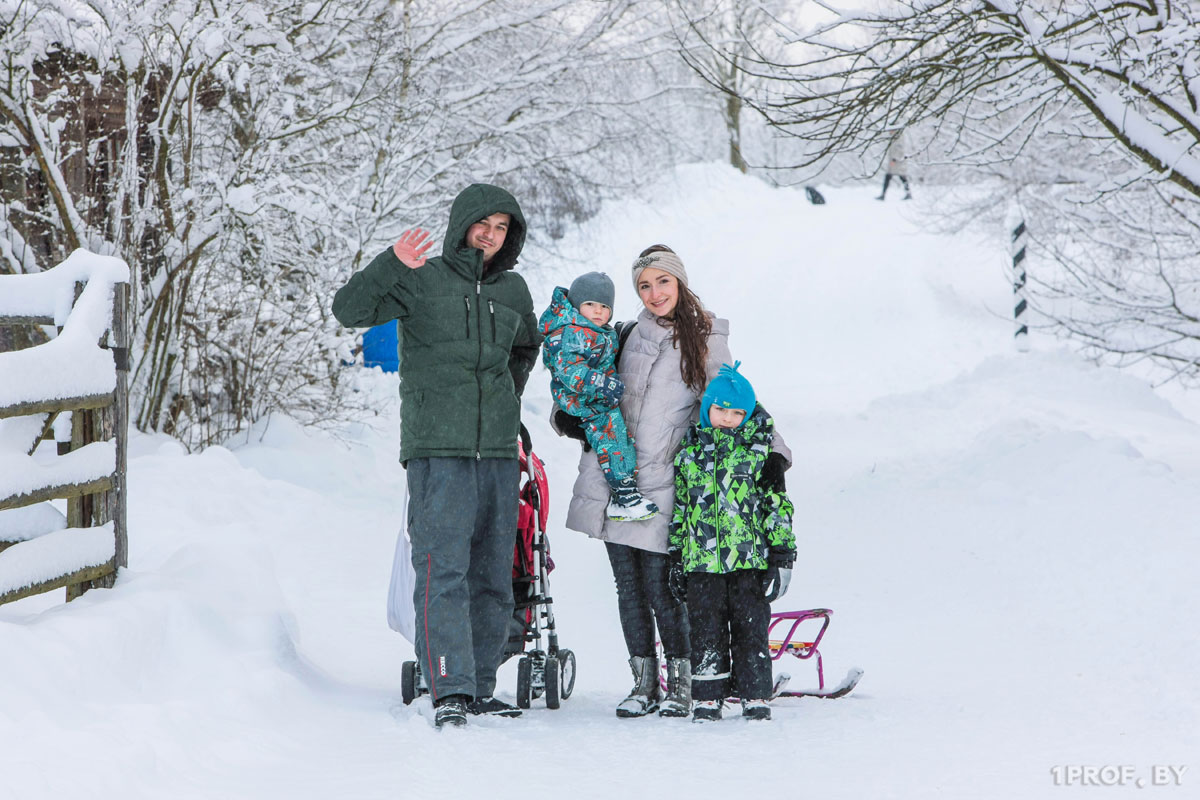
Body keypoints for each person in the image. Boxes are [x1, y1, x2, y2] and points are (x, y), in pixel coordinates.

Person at [331, 184, 542, 729]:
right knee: (442, 568)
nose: (490, 235)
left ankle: (480, 685)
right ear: (463, 223)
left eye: (501, 227)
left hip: (496, 450)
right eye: (483, 224)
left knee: (493, 573)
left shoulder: (513, 289)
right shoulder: (421, 278)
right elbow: (349, 310)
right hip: (436, 449)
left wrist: (504, 397)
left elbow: (526, 346)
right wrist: (391, 263)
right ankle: (448, 686)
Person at [555, 245, 792, 719]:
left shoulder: (704, 337)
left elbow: (735, 398)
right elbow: (583, 385)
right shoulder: (622, 335)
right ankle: (643, 684)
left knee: (664, 590)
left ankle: (683, 683)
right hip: (613, 480)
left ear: (680, 282)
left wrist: (773, 452)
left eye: (662, 281)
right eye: (644, 285)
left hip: (666, 481)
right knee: (628, 589)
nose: (654, 292)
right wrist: (567, 418)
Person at [667, 362, 796, 723]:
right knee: (705, 630)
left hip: (749, 563)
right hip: (701, 564)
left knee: (750, 629)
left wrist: (782, 555)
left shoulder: (760, 454)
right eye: (721, 409)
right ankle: (708, 698)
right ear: (707, 407)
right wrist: (676, 556)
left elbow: (776, 507)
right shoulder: (690, 454)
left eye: (737, 412)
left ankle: (755, 694)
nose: (727, 418)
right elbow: (681, 509)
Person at [539, 271, 658, 522]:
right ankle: (624, 495)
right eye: (590, 304)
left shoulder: (599, 332)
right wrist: (600, 382)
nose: (597, 311)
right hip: (580, 398)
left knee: (619, 439)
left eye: (604, 306)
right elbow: (569, 370)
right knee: (611, 439)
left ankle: (624, 491)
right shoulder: (568, 332)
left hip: (596, 395)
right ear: (576, 304)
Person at [877, 129, 913, 200]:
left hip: (898, 163)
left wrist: (894, 159)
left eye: (891, 130)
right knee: (894, 177)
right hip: (894, 163)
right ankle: (883, 195)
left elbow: (900, 150)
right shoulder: (893, 137)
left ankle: (883, 195)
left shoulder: (899, 138)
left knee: (900, 177)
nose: (889, 132)